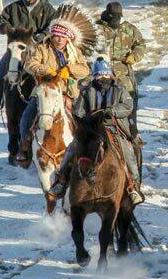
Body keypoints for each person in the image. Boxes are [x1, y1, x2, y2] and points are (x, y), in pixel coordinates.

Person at [49, 59, 143, 205]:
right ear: (94, 76)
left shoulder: (120, 89)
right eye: (99, 75)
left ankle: (133, 186)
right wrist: (87, 118)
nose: (103, 78)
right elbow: (78, 110)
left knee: (126, 149)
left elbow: (127, 106)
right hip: (91, 127)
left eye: (105, 74)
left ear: (110, 74)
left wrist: (110, 111)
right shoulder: (87, 90)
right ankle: (61, 180)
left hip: (113, 126)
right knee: (73, 147)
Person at [17, 20, 92, 164]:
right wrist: (46, 70)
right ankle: (25, 147)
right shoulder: (42, 49)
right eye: (56, 36)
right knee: (27, 117)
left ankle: (85, 149)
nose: (59, 39)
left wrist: (69, 70)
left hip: (67, 92)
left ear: (67, 38)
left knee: (84, 119)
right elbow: (29, 64)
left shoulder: (75, 51)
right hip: (45, 91)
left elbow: (85, 69)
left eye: (62, 37)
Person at [0, 0, 56, 111]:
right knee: (1, 67)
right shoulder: (14, 7)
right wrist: (8, 29)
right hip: (17, 48)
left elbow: (54, 24)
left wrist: (44, 34)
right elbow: (1, 20)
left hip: (40, 49)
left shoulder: (47, 8)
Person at [97, 2, 146, 133]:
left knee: (129, 95)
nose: (116, 21)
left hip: (123, 70)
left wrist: (134, 56)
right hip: (102, 69)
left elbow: (141, 44)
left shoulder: (129, 29)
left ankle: (131, 127)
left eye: (118, 18)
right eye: (113, 18)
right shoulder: (98, 29)